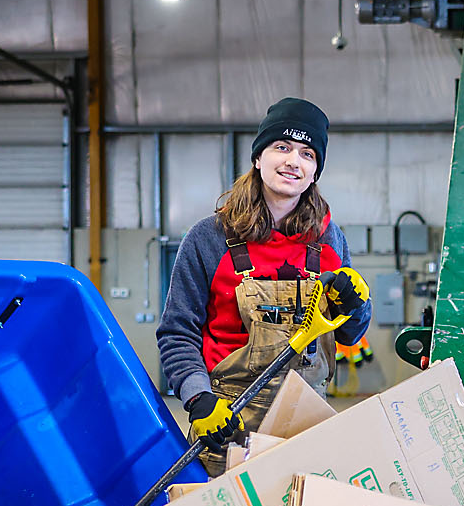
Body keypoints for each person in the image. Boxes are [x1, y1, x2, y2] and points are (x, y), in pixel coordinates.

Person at [158, 97, 371, 473]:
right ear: (259, 157)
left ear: (315, 171)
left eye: (307, 154)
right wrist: (198, 398)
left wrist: (357, 304)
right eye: (282, 147)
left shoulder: (329, 240)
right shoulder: (209, 238)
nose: (293, 161)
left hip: (307, 429)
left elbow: (351, 335)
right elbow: (177, 332)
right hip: (227, 429)